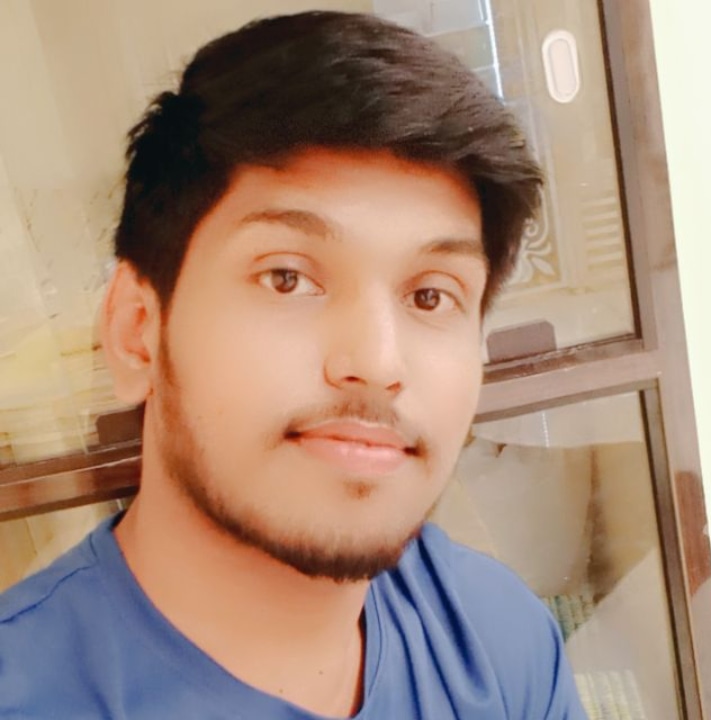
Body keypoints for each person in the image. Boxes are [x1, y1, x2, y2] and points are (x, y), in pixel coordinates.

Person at [0, 11, 588, 719]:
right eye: (287, 278)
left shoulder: (501, 642)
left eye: (430, 295)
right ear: (137, 332)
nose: (377, 362)